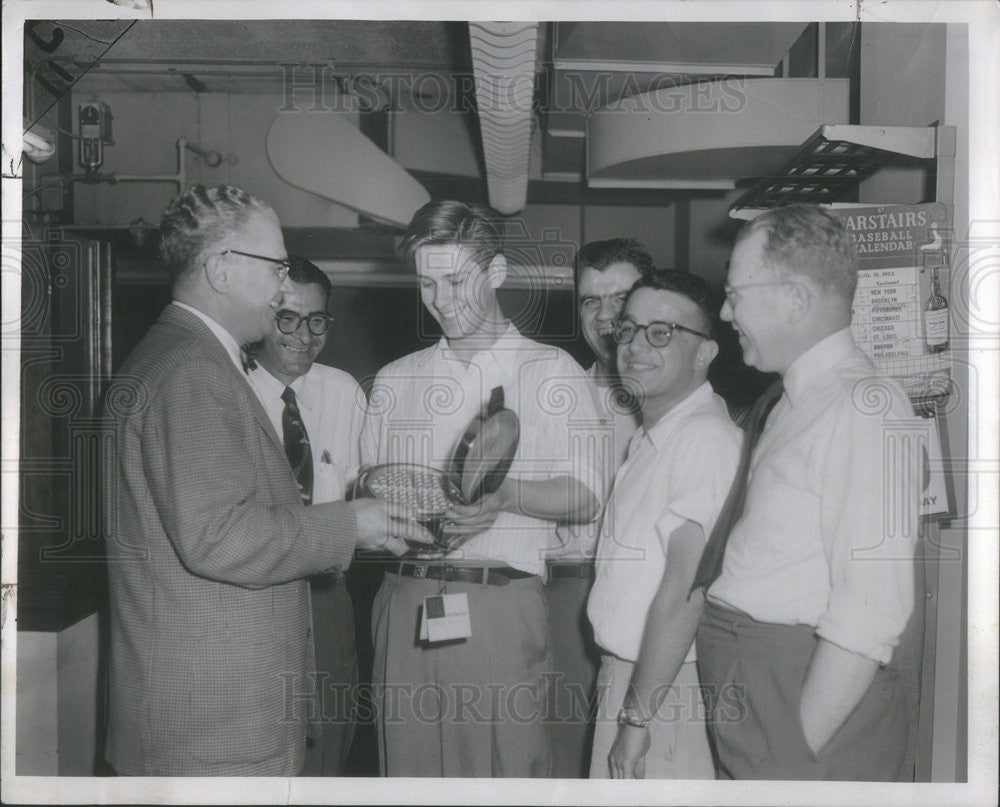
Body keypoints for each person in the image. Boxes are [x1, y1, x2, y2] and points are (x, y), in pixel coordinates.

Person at [102, 185, 429, 776]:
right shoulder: (193, 371)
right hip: (213, 729)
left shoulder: (183, 356)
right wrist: (350, 522)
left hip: (208, 717)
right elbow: (220, 538)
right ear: (222, 269)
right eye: (275, 266)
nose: (284, 285)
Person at [361, 200, 603, 777]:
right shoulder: (395, 380)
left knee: (505, 776)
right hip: (405, 602)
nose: (441, 302)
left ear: (495, 273)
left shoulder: (552, 371)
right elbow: (368, 500)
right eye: (426, 284)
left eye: (455, 281)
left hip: (499, 603)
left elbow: (587, 494)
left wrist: (505, 497)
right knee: (409, 781)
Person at [694, 203, 921, 780]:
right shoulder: (794, 402)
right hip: (760, 691)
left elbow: (869, 615)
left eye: (735, 294)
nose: (724, 312)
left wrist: (792, 755)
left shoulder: (864, 408)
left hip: (800, 708)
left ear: (794, 299)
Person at [587, 270, 741, 779]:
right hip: (639, 682)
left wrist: (635, 717)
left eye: (662, 333)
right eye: (629, 329)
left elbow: (686, 591)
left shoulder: (704, 441)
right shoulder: (655, 439)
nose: (634, 346)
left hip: (662, 693)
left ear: (705, 353)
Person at [244, 256, 365, 776]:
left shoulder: (343, 392)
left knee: (330, 743)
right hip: (253, 598)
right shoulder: (228, 387)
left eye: (317, 320)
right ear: (262, 317)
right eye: (288, 318)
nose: (304, 335)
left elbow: (364, 491)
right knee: (260, 741)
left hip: (326, 596)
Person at [544, 238, 653, 778]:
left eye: (622, 297)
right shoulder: (557, 396)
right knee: (566, 759)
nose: (606, 315)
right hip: (566, 597)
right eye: (591, 301)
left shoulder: (686, 403)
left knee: (634, 766)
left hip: (649, 605)